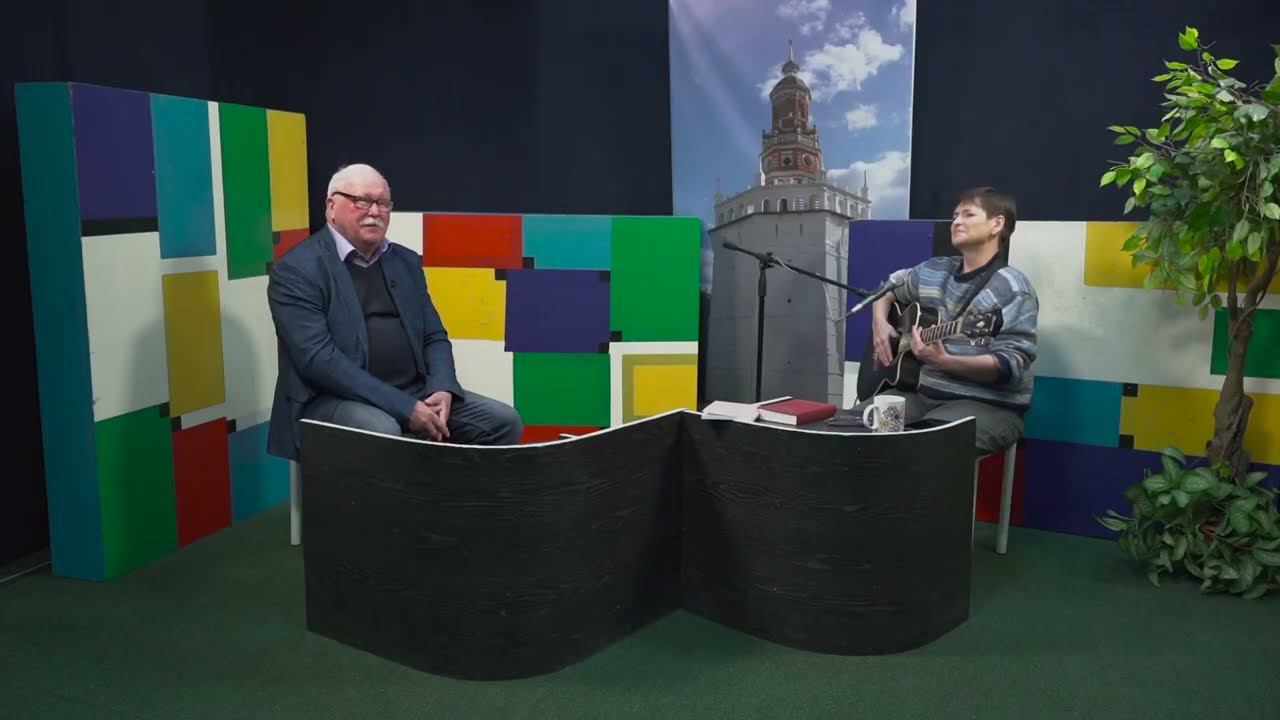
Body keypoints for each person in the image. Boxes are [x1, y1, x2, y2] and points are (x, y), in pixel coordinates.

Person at [266, 163, 523, 461]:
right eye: (362, 201)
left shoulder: (405, 262)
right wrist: (404, 407)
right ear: (331, 207)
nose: (375, 211)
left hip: (412, 392)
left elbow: (434, 336)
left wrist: (442, 388)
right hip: (330, 399)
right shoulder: (297, 270)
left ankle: (451, 493)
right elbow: (319, 361)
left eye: (383, 203)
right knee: (383, 430)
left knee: (502, 422)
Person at [854, 186, 1038, 454]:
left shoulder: (1013, 287)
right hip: (921, 398)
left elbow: (1010, 365)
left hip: (986, 405)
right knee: (854, 430)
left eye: (968, 214)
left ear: (997, 224)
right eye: (955, 216)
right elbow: (886, 290)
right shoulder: (934, 270)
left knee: (925, 451)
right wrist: (880, 324)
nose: (956, 222)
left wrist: (944, 361)